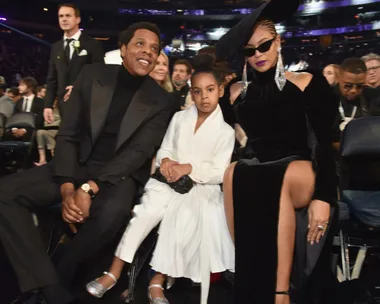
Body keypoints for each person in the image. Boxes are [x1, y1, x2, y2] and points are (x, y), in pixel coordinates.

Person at [0, 22, 174, 304]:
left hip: (118, 175)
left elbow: (137, 154)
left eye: (154, 48)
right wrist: (69, 188)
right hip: (76, 164)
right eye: (140, 44)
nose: (148, 52)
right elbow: (68, 134)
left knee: (111, 213)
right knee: (6, 192)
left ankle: (57, 275)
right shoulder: (93, 75)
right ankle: (50, 287)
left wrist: (88, 189)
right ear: (123, 48)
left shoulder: (161, 100)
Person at [216, 0, 339, 303]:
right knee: (235, 171)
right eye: (249, 50)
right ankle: (249, 280)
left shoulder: (308, 81)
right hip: (260, 168)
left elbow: (325, 143)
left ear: (278, 42)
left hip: (302, 168)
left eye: (264, 45)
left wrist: (324, 196)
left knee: (271, 176)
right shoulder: (233, 95)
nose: (257, 54)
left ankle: (280, 292)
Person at [86, 66, 235, 304]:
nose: (204, 97)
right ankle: (113, 272)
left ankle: (158, 279)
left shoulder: (225, 132)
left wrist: (190, 168)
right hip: (167, 182)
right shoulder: (179, 118)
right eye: (197, 91)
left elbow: (220, 172)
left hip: (199, 189)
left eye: (209, 90)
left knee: (181, 219)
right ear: (191, 93)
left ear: (220, 90)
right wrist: (166, 161)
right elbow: (165, 147)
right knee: (145, 213)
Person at [44, 3, 104, 122]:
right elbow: (52, 79)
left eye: (68, 16)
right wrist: (47, 105)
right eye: (61, 16)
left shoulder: (92, 44)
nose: (64, 19)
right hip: (63, 105)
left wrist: (79, 86)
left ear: (77, 19)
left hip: (86, 103)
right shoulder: (56, 47)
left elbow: (100, 74)